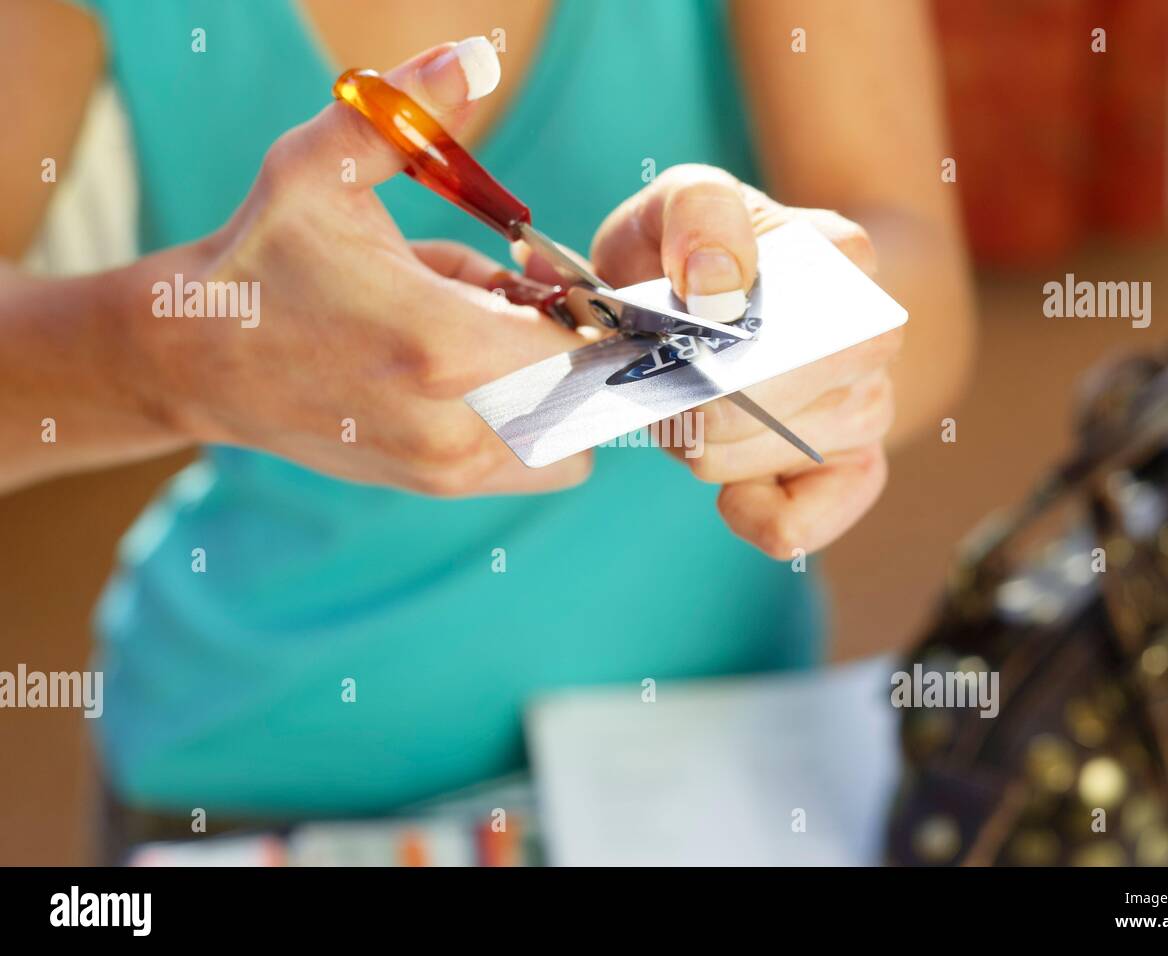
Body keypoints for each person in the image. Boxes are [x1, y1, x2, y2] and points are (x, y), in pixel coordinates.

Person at [1, 0, 973, 840]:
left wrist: (810, 326)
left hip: (712, 742)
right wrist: (181, 354)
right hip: (261, 773)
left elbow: (917, 278)